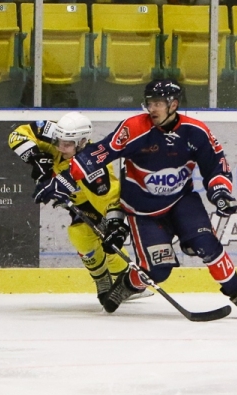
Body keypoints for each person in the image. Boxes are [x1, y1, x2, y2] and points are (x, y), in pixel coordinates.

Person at [38, 79, 237, 314]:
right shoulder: (134, 128)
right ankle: (125, 285)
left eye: (158, 103)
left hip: (181, 201)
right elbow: (98, 153)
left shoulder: (195, 131)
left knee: (207, 245)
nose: (152, 108)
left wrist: (219, 192)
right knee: (158, 270)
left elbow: (216, 164)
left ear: (173, 104)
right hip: (143, 211)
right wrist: (63, 180)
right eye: (149, 102)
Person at [10, 112, 149, 306]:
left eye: (67, 144)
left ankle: (123, 279)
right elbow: (17, 135)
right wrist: (35, 158)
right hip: (77, 202)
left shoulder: (95, 168)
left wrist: (114, 223)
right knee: (83, 237)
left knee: (86, 236)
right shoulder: (57, 135)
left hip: (95, 205)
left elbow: (111, 199)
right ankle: (104, 279)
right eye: (58, 141)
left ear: (82, 142)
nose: (60, 147)